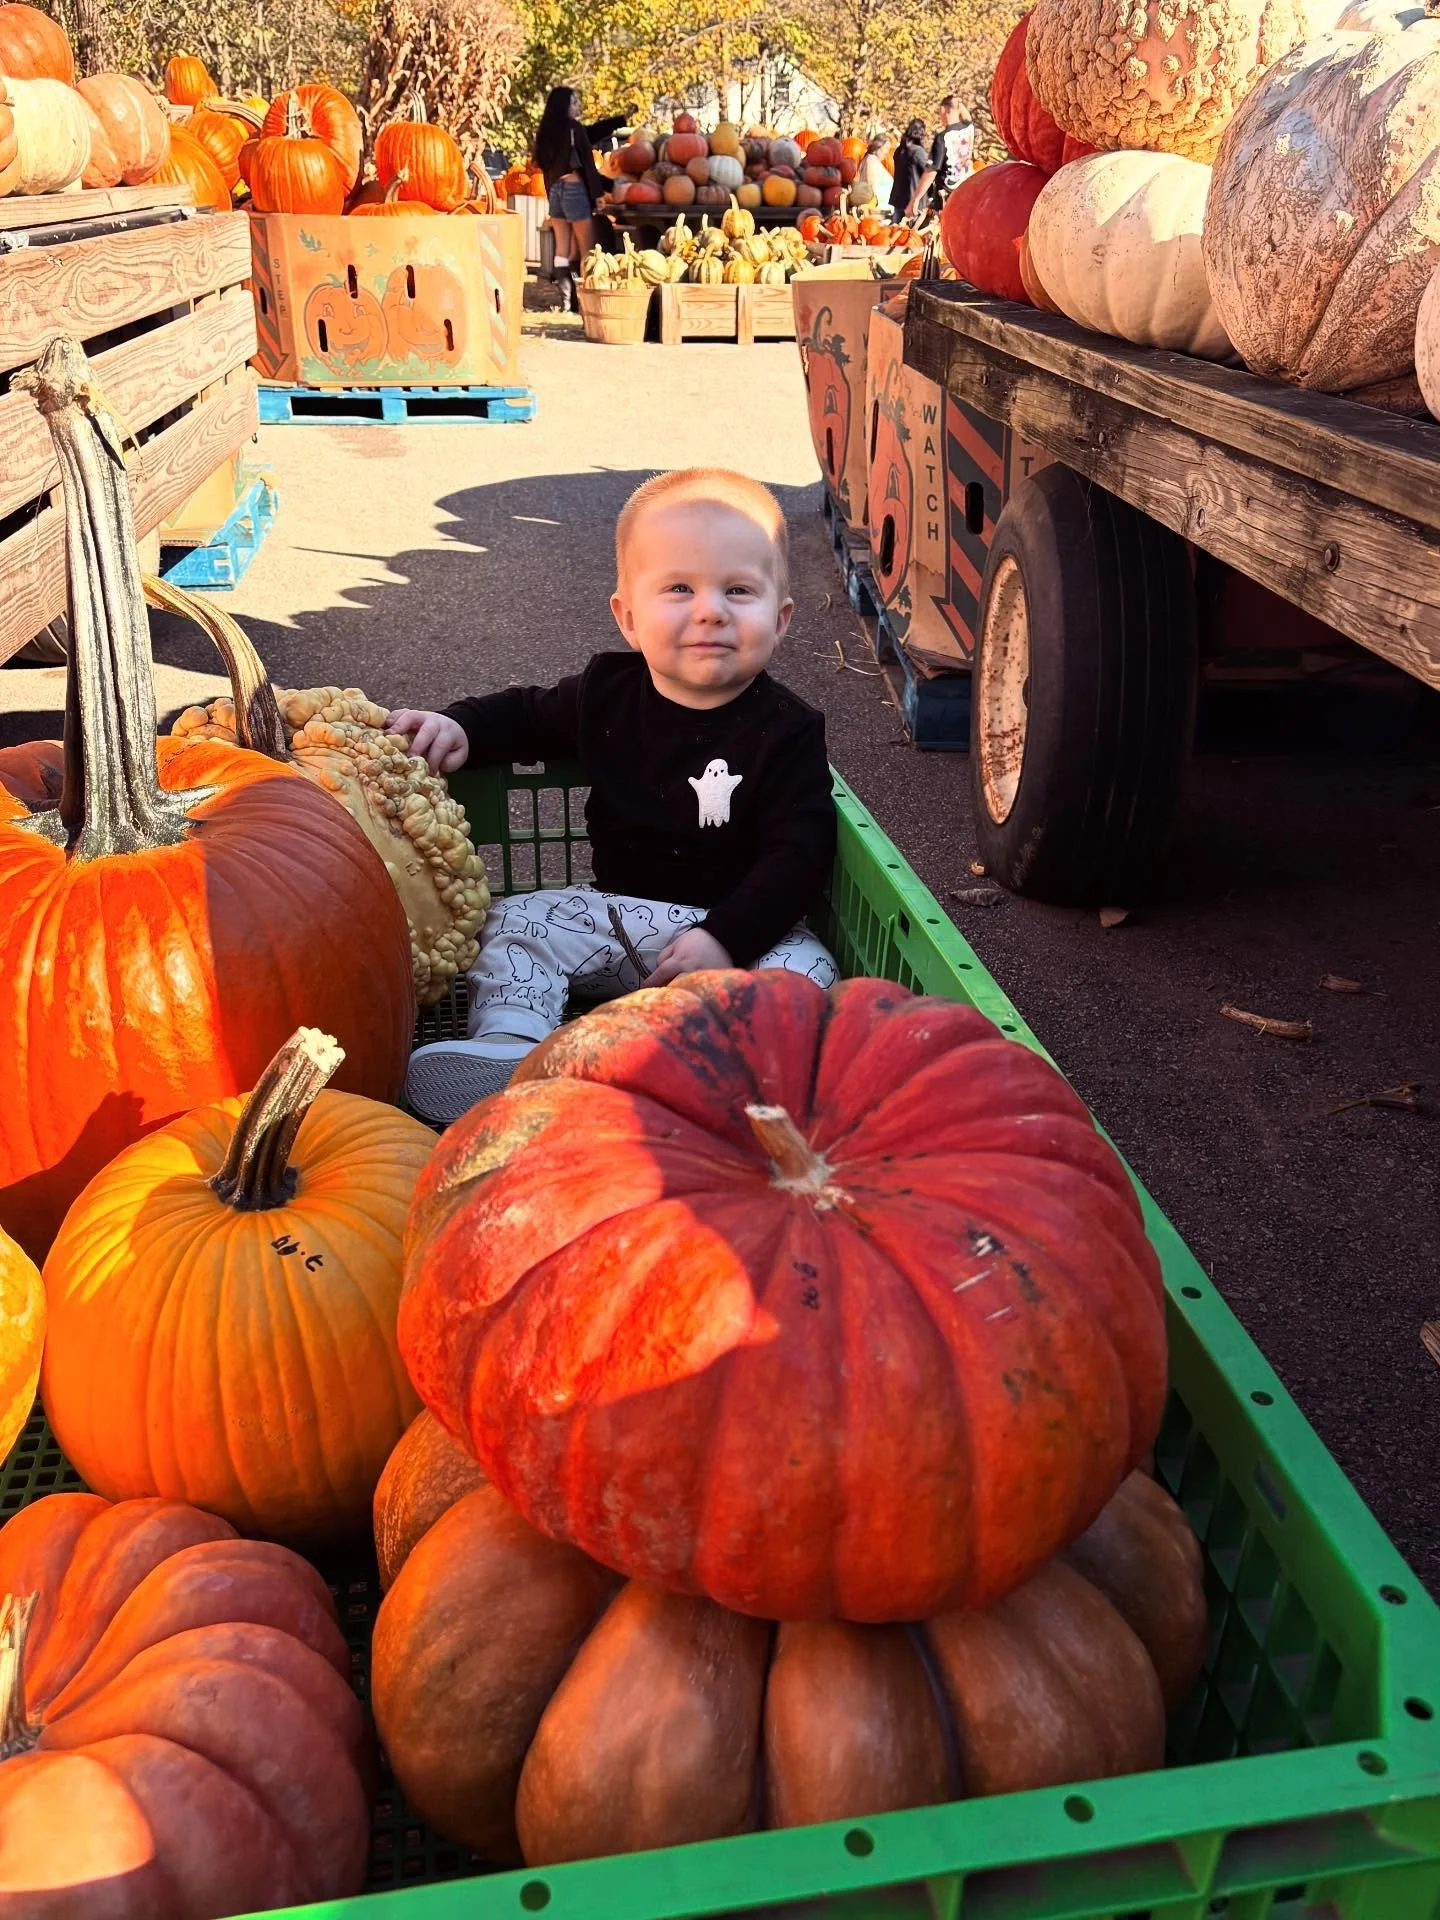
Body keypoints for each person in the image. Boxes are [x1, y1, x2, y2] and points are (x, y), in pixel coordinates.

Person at [389, 468, 841, 1124]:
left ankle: (705, 1070)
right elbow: (525, 715)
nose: (710, 609)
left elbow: (799, 853)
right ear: (627, 617)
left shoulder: (790, 730)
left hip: (730, 940)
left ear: (781, 619)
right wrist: (458, 725)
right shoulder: (606, 693)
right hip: (614, 922)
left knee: (808, 964)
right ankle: (515, 1052)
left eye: (739, 590)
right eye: (680, 588)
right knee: (511, 922)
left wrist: (724, 937)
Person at [532, 86, 607, 313]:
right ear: (564, 106)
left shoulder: (546, 132)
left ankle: (566, 301)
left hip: (555, 191)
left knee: (562, 251)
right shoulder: (574, 129)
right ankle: (585, 301)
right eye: (574, 102)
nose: (577, 107)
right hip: (574, 190)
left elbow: (544, 169)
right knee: (588, 249)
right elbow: (587, 162)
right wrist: (598, 195)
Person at [908, 96, 974, 215]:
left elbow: (930, 172)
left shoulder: (943, 138)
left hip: (946, 198)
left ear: (943, 110)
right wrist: (958, 103)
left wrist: (915, 199)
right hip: (967, 192)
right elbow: (967, 117)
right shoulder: (969, 129)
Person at [889, 118, 932, 223]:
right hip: (913, 202)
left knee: (896, 233)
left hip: (898, 199)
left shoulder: (899, 150)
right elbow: (929, 173)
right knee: (911, 235)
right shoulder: (918, 152)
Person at [859, 133, 892, 204]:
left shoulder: (874, 161)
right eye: (886, 148)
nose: (887, 152)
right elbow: (870, 187)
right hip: (876, 210)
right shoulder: (871, 160)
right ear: (878, 145)